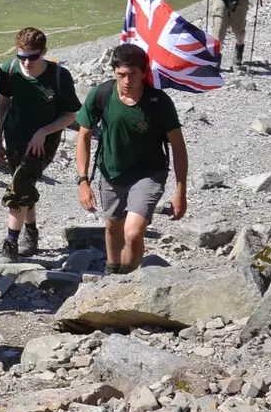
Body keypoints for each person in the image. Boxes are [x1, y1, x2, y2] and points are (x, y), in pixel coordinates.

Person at [72, 42, 187, 274]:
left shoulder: (158, 102)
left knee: (133, 232)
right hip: (111, 171)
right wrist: (83, 180)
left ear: (144, 73)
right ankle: (112, 271)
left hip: (149, 173)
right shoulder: (101, 94)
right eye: (121, 75)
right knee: (113, 227)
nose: (126, 81)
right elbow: (83, 136)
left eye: (132, 75)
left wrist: (180, 191)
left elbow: (178, 146)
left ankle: (129, 278)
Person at [0, 27, 81, 257]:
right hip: (14, 137)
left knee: (19, 186)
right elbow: (3, 105)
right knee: (24, 186)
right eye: (21, 56)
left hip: (43, 143)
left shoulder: (59, 76)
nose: (27, 62)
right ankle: (31, 233)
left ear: (43, 52)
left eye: (33, 57)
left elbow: (71, 115)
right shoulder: (10, 70)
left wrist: (44, 131)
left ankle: (10, 245)